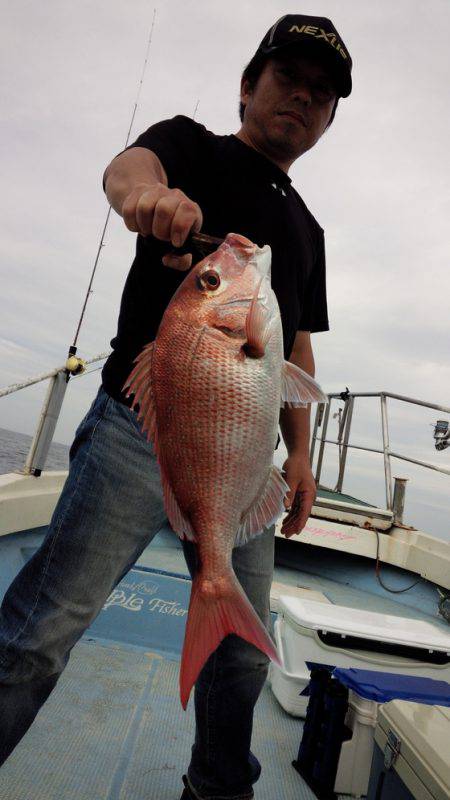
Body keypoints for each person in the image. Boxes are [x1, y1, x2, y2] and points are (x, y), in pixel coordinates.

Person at [0, 13, 352, 800]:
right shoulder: (192, 147)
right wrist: (147, 198)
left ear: (329, 118)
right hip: (136, 433)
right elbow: (126, 169)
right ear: (247, 87)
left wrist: (299, 456)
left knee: (245, 654)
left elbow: (294, 348)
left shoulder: (307, 229)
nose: (302, 98)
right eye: (287, 79)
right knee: (42, 631)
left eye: (321, 93)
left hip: (243, 457)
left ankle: (218, 788)